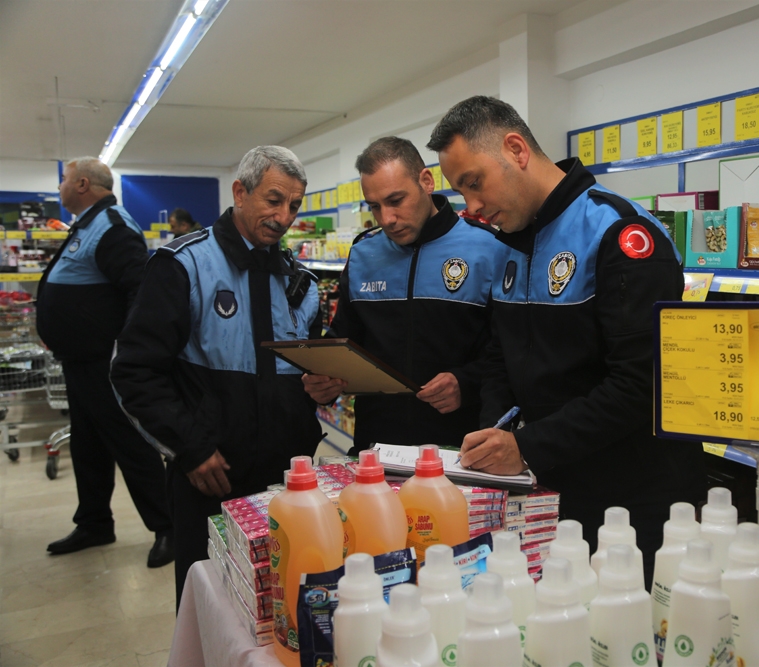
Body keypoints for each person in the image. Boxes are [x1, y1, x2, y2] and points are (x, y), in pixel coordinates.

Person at [428, 97, 706, 583]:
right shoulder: (511, 244)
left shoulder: (619, 232)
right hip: (548, 492)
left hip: (632, 504)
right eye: (460, 192)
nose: (471, 207)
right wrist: (497, 434)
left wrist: (528, 446)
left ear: (515, 149)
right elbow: (500, 355)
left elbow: (642, 384)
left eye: (474, 183)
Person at [110, 146, 324, 606]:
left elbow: (312, 374)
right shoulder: (182, 265)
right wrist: (189, 448)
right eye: (273, 200)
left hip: (288, 482)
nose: (283, 216)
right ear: (240, 193)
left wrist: (323, 386)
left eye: (294, 205)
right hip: (210, 479)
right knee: (210, 607)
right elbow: (134, 371)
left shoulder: (299, 282)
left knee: (284, 605)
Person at [303, 137, 498, 451]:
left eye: (396, 200)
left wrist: (467, 382)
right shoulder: (364, 253)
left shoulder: (487, 247)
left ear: (426, 181)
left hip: (461, 445)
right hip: (376, 445)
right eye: (375, 207)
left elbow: (507, 347)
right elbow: (345, 335)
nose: (387, 219)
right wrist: (325, 376)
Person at [36, 157, 173, 567]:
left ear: (81, 183)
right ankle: (95, 521)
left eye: (63, 180)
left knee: (128, 442)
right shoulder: (88, 222)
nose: (59, 188)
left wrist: (127, 351)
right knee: (88, 443)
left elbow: (139, 290)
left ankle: (168, 526)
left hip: (103, 361)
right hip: (79, 359)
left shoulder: (113, 225)